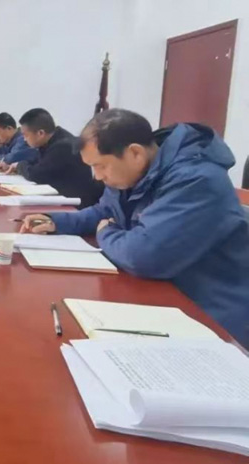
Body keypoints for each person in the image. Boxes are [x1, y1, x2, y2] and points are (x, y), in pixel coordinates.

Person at [21, 109, 249, 348]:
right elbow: (104, 211)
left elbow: (144, 256)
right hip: (161, 296)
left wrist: (105, 233)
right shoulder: (134, 171)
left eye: (100, 166)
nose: (97, 177)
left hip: (215, 318)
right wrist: (58, 222)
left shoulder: (197, 181)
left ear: (135, 153)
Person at [0, 108, 103, 208]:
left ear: (41, 133)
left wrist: (19, 165)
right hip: (63, 197)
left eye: (26, 135)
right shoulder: (52, 139)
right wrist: (16, 165)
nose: (24, 139)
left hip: (76, 205)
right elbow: (37, 162)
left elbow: (36, 175)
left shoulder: (62, 146)